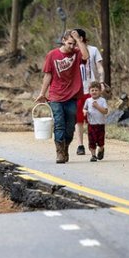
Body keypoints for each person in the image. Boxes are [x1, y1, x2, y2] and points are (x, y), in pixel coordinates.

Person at [35, 30, 89, 163]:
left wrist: (79, 40)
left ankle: (65, 147)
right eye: (70, 43)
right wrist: (42, 93)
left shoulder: (77, 53)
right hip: (56, 95)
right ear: (63, 40)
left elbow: (86, 56)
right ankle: (59, 152)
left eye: (74, 43)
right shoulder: (52, 55)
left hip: (72, 95)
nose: (72, 46)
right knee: (59, 123)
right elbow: (48, 75)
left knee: (70, 126)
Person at [71, 29, 104, 156]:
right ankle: (80, 144)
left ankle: (94, 142)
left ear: (83, 38)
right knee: (79, 118)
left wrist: (101, 82)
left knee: (94, 117)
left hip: (92, 88)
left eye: (77, 38)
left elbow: (100, 67)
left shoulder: (93, 50)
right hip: (78, 89)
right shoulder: (72, 52)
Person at [83, 81, 109, 162]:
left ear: (100, 91)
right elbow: (85, 108)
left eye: (96, 90)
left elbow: (105, 111)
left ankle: (101, 149)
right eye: (92, 90)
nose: (94, 92)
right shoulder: (88, 100)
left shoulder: (102, 100)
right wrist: (84, 112)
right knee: (92, 141)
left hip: (100, 124)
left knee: (100, 141)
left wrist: (97, 106)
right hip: (91, 124)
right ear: (89, 91)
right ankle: (93, 155)